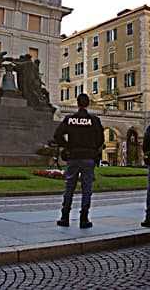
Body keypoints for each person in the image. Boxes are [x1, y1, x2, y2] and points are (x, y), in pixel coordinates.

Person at [53, 93, 104, 229]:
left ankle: (64, 217)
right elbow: (100, 140)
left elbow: (57, 135)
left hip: (74, 156)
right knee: (86, 188)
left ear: (77, 103)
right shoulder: (94, 120)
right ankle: (84, 218)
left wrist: (66, 146)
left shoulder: (70, 119)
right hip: (88, 157)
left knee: (69, 186)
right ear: (88, 104)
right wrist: (92, 148)